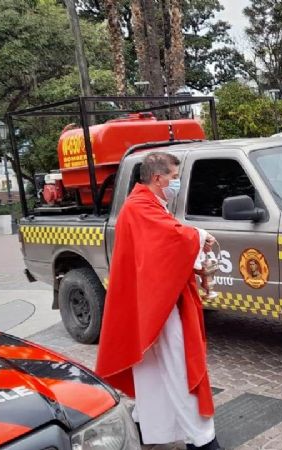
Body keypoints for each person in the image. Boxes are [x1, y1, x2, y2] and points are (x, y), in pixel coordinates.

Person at [96, 152, 222, 450]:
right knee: (180, 369)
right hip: (160, 307)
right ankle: (202, 440)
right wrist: (199, 235)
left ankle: (148, 428)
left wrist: (192, 242)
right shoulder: (140, 206)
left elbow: (160, 248)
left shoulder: (144, 204)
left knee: (153, 371)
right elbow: (168, 240)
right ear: (157, 178)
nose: (176, 183)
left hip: (154, 302)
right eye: (174, 178)